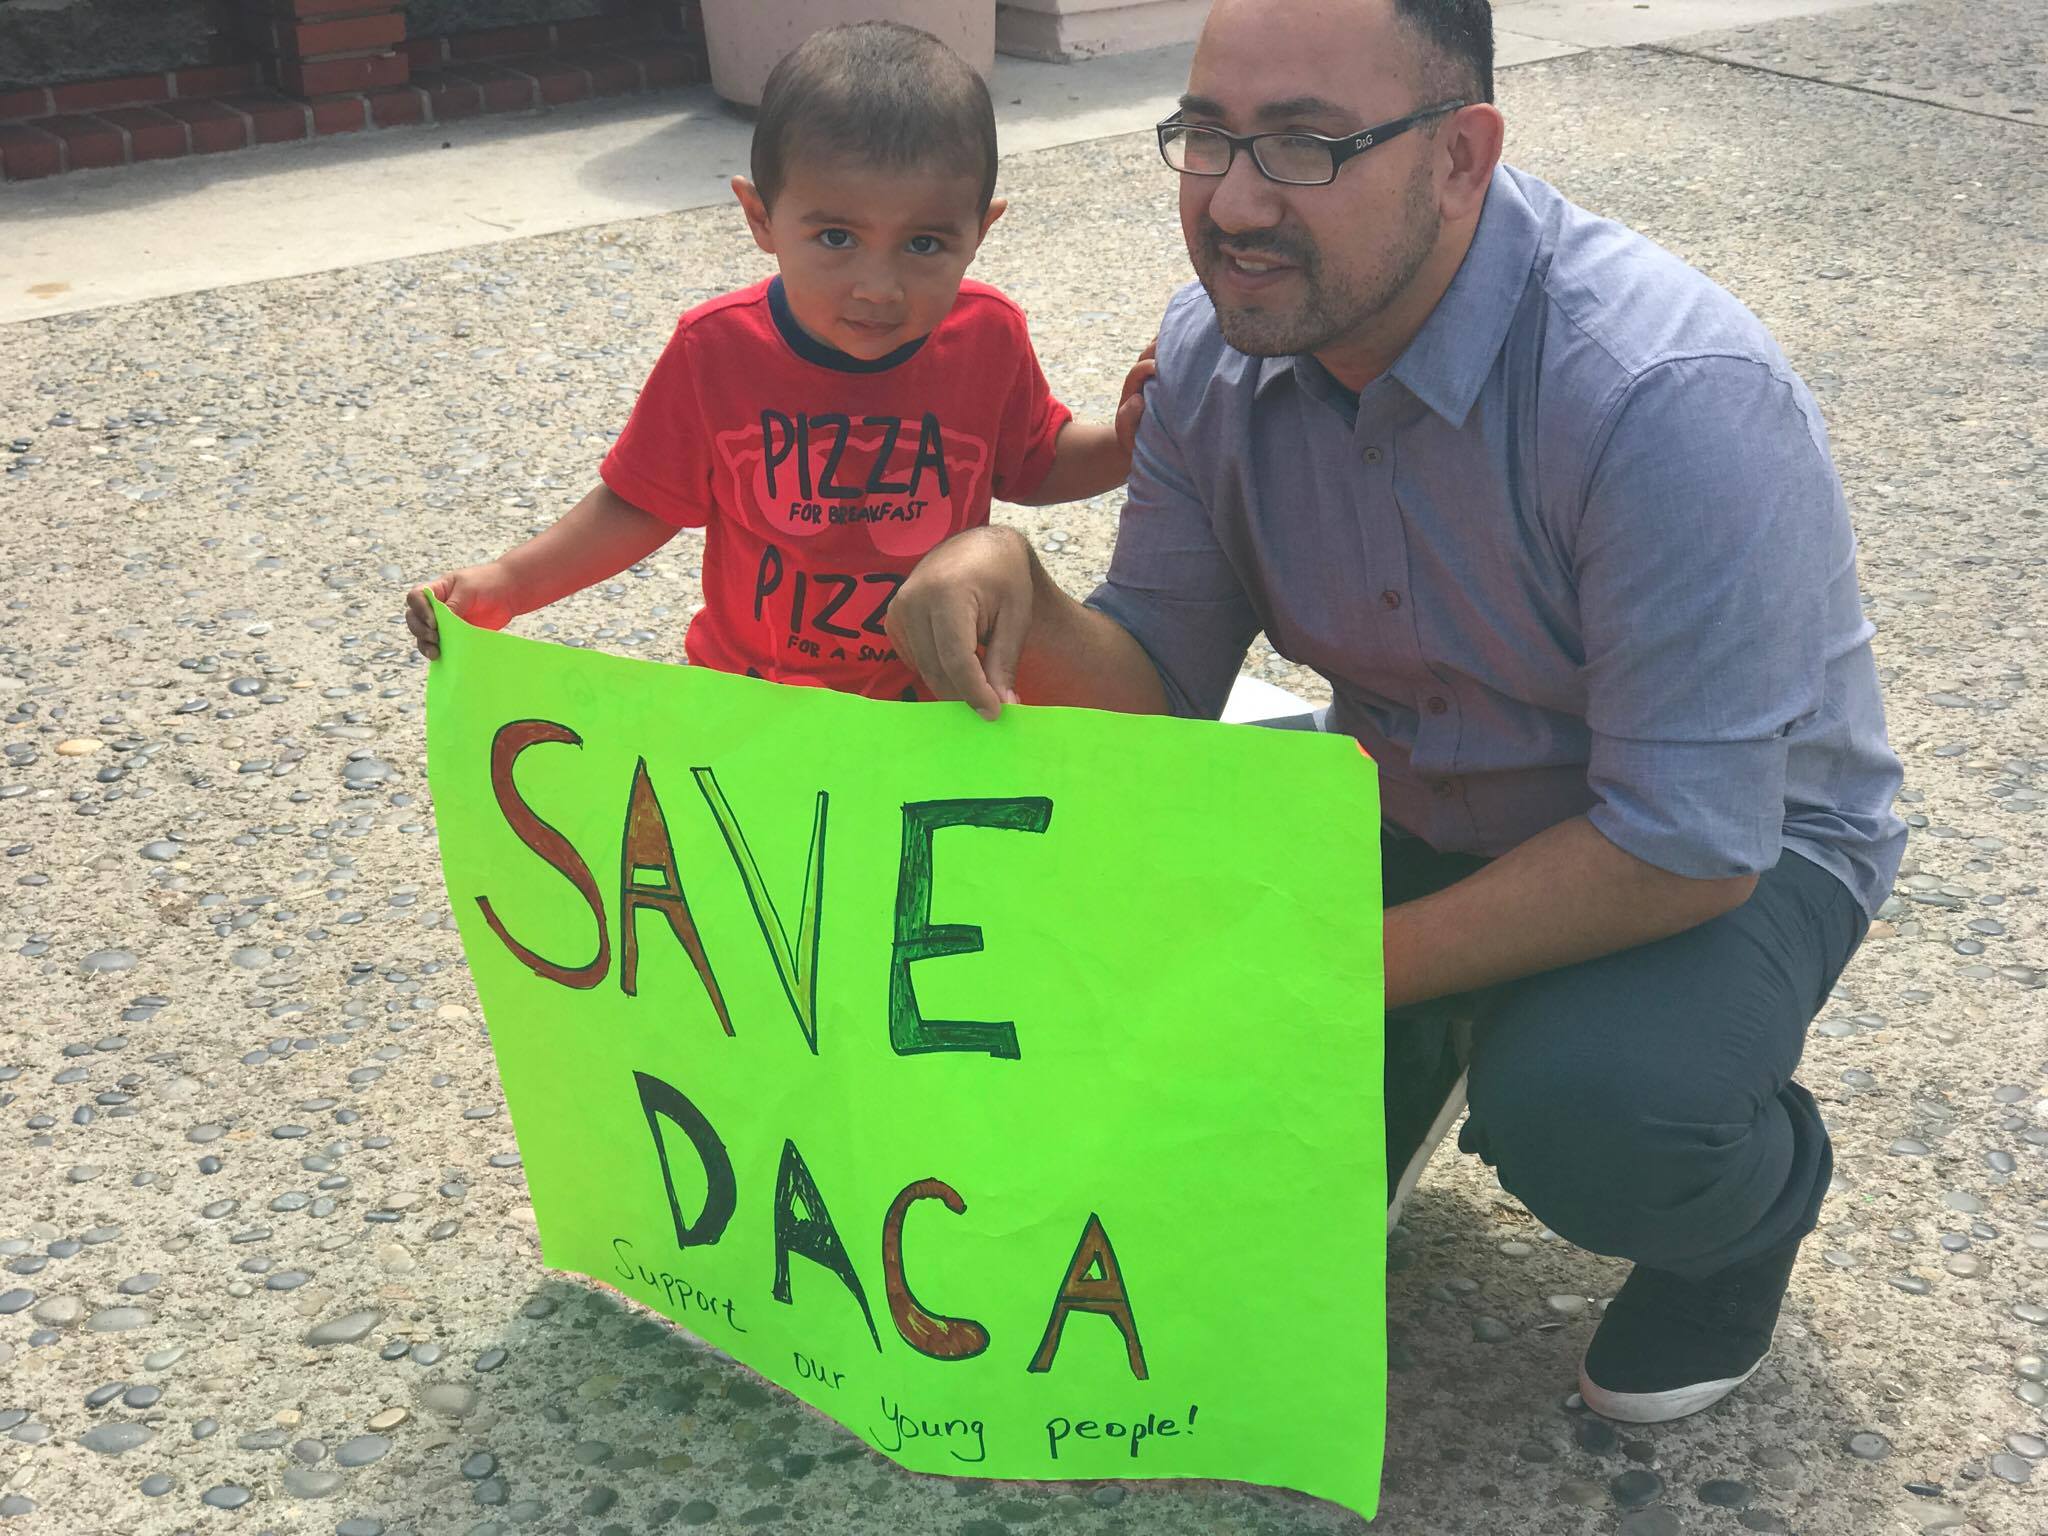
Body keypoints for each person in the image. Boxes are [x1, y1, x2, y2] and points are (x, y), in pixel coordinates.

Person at [884, 0, 1904, 1425]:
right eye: (1207, 136)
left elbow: (1685, 841)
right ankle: (1417, 1034)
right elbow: (1157, 686)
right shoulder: (1214, 356)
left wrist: (1324, 976)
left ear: (1459, 157)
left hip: (1727, 847)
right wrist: (1020, 585)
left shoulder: (1665, 397)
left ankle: (1745, 1213)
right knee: (1042, 983)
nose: (1234, 202)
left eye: (1305, 144)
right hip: (1412, 794)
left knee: (1599, 1115)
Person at [405, 21, 1151, 700]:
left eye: (924, 243)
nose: (878, 287)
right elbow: (642, 501)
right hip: (756, 700)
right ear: (760, 218)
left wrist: (1124, 444)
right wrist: (509, 584)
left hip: (931, 701)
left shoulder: (988, 336)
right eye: (836, 238)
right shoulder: (716, 350)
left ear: (979, 232)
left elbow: (1034, 462)